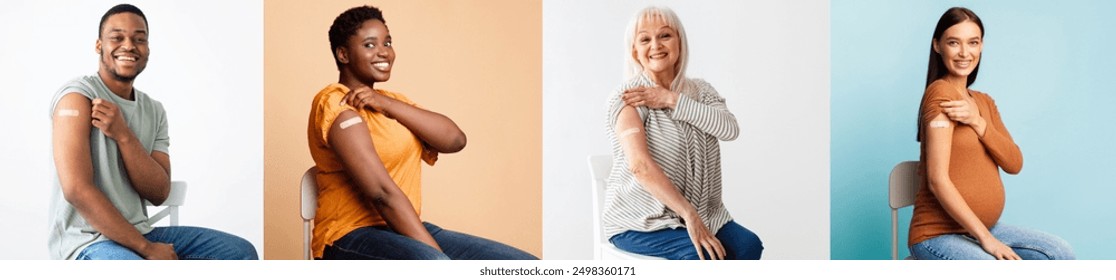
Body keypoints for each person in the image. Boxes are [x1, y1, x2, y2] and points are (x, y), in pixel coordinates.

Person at [306, 5, 536, 260]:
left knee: (524, 266)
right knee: (434, 264)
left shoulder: (390, 102)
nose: (384, 51)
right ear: (343, 54)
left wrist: (387, 104)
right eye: (370, 45)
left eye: (388, 42)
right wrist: (442, 263)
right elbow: (381, 194)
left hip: (400, 230)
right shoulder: (335, 102)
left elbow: (455, 139)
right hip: (348, 237)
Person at [48, 4, 257, 260]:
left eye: (139, 39)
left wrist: (124, 135)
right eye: (117, 37)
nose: (129, 45)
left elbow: (159, 193)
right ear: (98, 45)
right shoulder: (76, 97)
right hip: (88, 242)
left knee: (240, 252)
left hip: (140, 233)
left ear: (147, 49)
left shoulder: (154, 110)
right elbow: (76, 190)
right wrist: (146, 249)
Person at [909, 7, 1074, 260]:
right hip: (938, 235)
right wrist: (988, 241)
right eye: (954, 42)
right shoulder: (941, 94)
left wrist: (978, 122)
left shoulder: (984, 102)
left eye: (972, 42)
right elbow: (936, 180)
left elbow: (1014, 162)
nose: (965, 52)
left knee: (1059, 252)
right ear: (938, 46)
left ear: (981, 46)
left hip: (982, 228)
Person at [602, 6, 763, 260]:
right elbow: (640, 166)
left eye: (665, 35)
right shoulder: (628, 98)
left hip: (707, 215)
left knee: (748, 246)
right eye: (645, 39)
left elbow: (730, 129)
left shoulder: (701, 91)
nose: (656, 45)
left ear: (679, 41)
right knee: (703, 256)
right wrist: (689, 215)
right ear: (635, 50)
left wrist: (671, 99)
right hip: (642, 221)